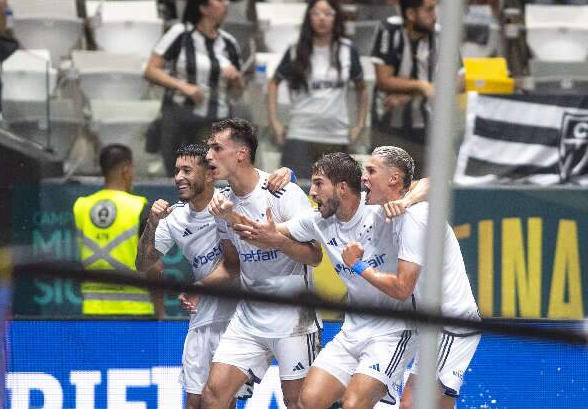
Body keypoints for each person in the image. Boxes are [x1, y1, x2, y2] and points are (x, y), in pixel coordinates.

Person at [233, 152, 428, 408]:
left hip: (394, 331)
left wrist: (407, 201)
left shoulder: (380, 210)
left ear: (342, 188)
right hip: (353, 332)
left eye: (318, 183)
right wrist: (234, 215)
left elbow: (431, 183)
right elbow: (261, 232)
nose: (312, 192)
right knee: (309, 400)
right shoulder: (317, 221)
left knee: (354, 403)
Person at [135, 143, 292, 408]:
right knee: (196, 403)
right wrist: (152, 223)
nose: (178, 177)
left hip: (241, 319)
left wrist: (288, 172)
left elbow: (267, 183)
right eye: (176, 171)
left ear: (209, 174)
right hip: (203, 320)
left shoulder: (231, 200)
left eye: (187, 170)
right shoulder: (175, 218)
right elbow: (142, 264)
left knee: (219, 400)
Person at [342, 145, 481, 409]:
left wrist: (358, 266)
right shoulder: (394, 211)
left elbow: (402, 288)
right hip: (432, 326)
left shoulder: (414, 217)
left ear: (394, 179)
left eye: (371, 171)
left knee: (410, 404)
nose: (364, 177)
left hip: (450, 325)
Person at [201, 118, 324, 408]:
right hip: (249, 318)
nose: (208, 156)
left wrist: (276, 240)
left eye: (217, 148)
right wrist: (200, 286)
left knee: (298, 403)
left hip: (294, 319)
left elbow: (315, 256)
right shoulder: (221, 204)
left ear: (240, 154)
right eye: (209, 148)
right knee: (213, 396)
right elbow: (233, 264)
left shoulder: (283, 192)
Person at [144, 0, 244, 176]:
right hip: (181, 118)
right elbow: (151, 70)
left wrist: (236, 78)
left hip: (218, 123)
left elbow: (237, 92)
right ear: (203, 7)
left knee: (210, 177)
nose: (226, 3)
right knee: (182, 175)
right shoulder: (180, 34)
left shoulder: (229, 42)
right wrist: (182, 86)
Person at [268, 0, 368, 179]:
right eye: (316, 13)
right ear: (309, 17)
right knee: (292, 192)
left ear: (336, 17)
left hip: (336, 135)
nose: (322, 18)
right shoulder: (296, 50)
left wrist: (359, 125)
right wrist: (275, 122)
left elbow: (362, 87)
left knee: (335, 196)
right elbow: (274, 82)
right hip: (300, 133)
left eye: (328, 13)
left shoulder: (347, 50)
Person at [73, 144, 159, 316]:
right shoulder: (139, 207)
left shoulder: (81, 206)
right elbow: (154, 267)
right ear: (126, 169)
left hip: (92, 312)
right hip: (135, 314)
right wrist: (160, 310)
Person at [370, 0, 442, 177]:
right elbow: (384, 80)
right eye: (429, 9)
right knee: (386, 191)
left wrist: (409, 94)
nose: (434, 15)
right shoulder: (389, 30)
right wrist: (422, 86)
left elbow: (460, 80)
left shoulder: (440, 34)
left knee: (423, 190)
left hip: (426, 129)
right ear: (410, 14)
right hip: (388, 128)